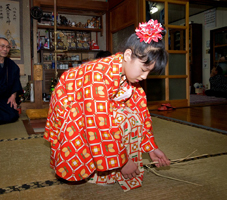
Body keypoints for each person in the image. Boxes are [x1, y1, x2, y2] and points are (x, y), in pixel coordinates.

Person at [44, 19, 170, 192]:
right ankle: (103, 170)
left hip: (93, 101)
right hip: (71, 101)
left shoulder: (127, 74)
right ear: (127, 56)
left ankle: (111, 170)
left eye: (149, 72)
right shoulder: (98, 76)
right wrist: (122, 161)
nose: (145, 77)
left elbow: (141, 111)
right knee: (89, 131)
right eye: (143, 69)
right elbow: (98, 122)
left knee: (131, 117)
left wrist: (151, 147)